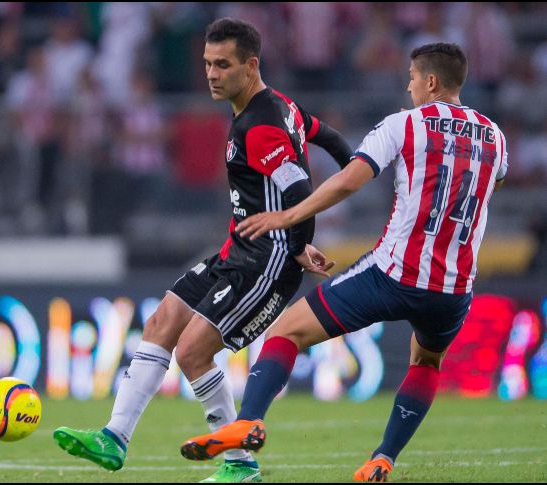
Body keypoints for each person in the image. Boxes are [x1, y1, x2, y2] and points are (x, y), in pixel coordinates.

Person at [180, 43, 509, 483]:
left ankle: (250, 420)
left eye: (412, 77)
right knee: (427, 363)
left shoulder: (405, 125)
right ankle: (383, 458)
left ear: (430, 82)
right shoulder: (495, 136)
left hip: (392, 273)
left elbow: (348, 181)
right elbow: (492, 183)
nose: (408, 85)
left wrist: (290, 215)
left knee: (287, 331)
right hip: (453, 289)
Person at [53, 18, 352, 483]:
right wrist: (353, 166)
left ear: (251, 66)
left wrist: (297, 247)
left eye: (223, 65)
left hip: (265, 262)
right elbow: (328, 138)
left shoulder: (260, 126)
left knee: (192, 352)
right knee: (161, 322)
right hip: (236, 251)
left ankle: (239, 463)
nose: (211, 74)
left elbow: (297, 192)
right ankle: (114, 437)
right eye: (208, 64)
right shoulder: (280, 106)